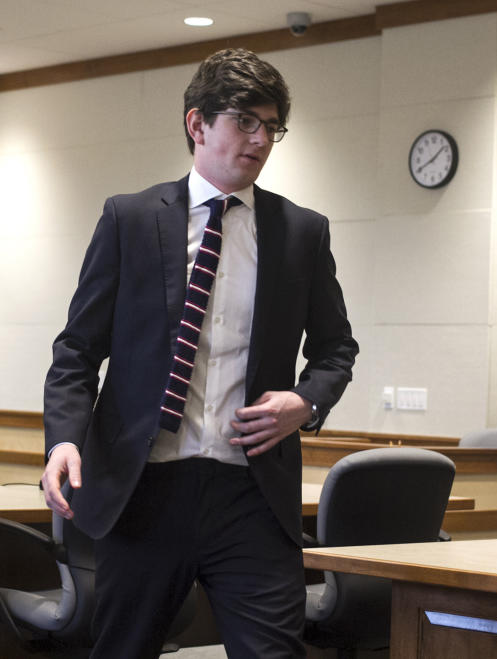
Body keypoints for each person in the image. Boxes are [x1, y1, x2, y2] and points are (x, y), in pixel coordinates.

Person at [41, 48, 359, 658]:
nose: (261, 139)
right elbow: (77, 350)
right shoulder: (130, 220)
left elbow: (335, 347)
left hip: (252, 494)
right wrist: (63, 441)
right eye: (245, 121)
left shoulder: (301, 232)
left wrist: (305, 401)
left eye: (272, 127)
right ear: (198, 124)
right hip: (146, 489)